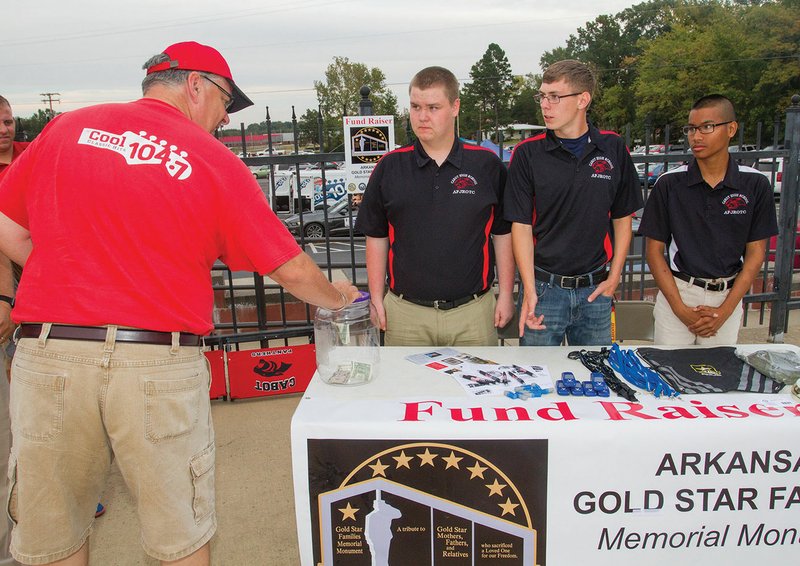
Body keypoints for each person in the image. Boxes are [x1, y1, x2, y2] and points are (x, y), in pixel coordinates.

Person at [0, 41, 358, 566]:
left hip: (49, 355)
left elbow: (8, 229)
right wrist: (339, 297)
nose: (221, 119)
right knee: (179, 538)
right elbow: (291, 267)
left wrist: (73, 273)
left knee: (53, 535)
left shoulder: (66, 129)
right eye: (223, 103)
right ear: (195, 86)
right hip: (154, 363)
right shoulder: (210, 158)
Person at [356, 66, 515, 346]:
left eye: (433, 107)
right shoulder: (390, 167)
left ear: (455, 107)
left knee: (478, 390)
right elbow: (376, 237)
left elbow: (503, 234)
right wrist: (376, 298)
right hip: (406, 316)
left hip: (473, 314)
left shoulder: (487, 165)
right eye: (415, 106)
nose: (422, 116)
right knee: (409, 391)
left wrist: (504, 294)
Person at [504, 60, 642, 346]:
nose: (545, 105)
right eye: (542, 96)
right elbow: (520, 226)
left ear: (583, 99)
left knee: (597, 379)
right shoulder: (527, 154)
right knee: (537, 377)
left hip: (595, 290)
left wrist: (614, 277)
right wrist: (529, 291)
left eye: (555, 96)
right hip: (544, 289)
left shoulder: (613, 147)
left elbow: (622, 218)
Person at [638, 94, 777, 344]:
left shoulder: (755, 183)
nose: (696, 136)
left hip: (727, 298)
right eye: (691, 128)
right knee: (669, 377)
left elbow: (756, 253)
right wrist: (680, 309)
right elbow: (654, 252)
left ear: (731, 129)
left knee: (717, 378)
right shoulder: (669, 184)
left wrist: (724, 311)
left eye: (707, 127)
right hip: (678, 294)